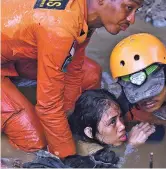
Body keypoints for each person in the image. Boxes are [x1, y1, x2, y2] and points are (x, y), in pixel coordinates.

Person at [1, 0, 143, 158]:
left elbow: (74, 70)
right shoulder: (60, 28)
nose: (132, 19)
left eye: (136, 10)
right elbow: (48, 107)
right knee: (36, 141)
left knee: (90, 75)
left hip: (13, 53)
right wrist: (69, 158)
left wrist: (72, 121)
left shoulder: (84, 16)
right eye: (129, 8)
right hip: (12, 54)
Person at [69, 89, 156, 156]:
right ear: (90, 132)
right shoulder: (92, 155)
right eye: (112, 121)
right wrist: (130, 147)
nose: (122, 126)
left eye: (120, 116)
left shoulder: (99, 132)